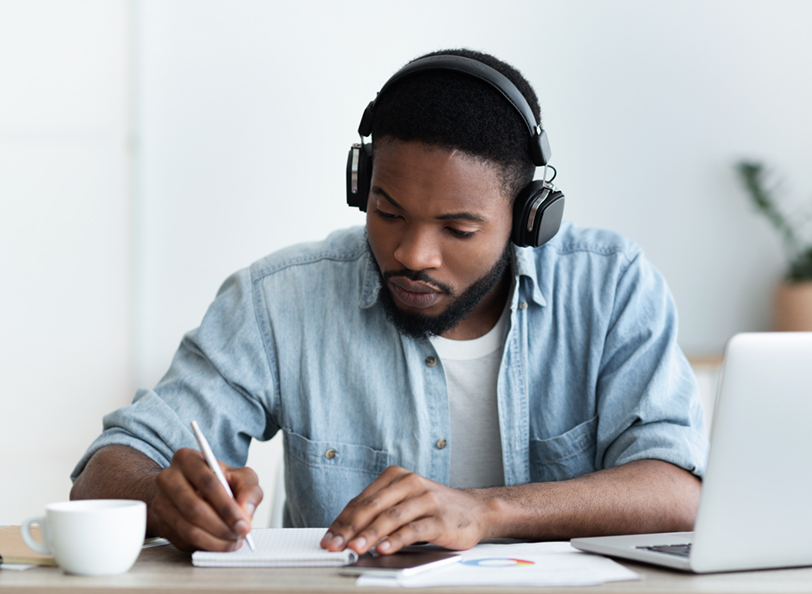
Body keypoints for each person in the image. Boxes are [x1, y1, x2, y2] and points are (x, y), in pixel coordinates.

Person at [70, 49, 708, 557]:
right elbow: (104, 472)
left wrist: (485, 511)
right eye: (388, 212)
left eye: (458, 229)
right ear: (361, 186)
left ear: (526, 220)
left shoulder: (611, 287)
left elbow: (677, 492)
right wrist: (165, 495)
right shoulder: (278, 300)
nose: (412, 254)